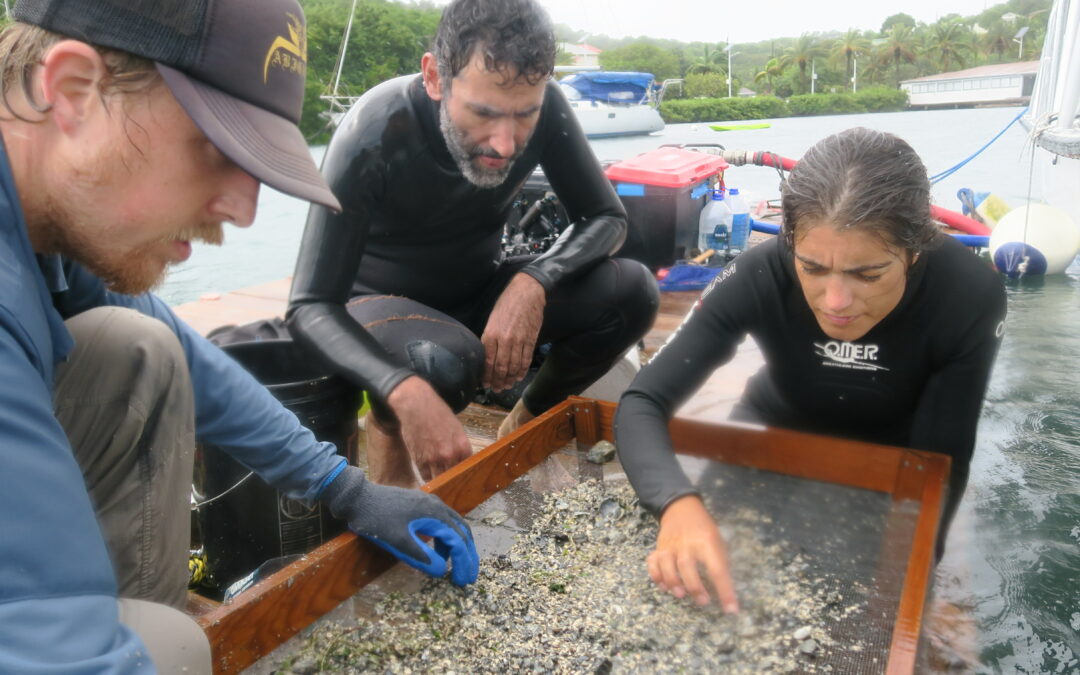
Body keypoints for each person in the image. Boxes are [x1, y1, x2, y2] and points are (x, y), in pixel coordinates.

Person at [0, 0, 477, 672]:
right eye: (215, 146)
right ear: (74, 92)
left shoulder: (42, 213)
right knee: (175, 651)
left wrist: (344, 486)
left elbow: (187, 355)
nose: (244, 210)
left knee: (141, 345)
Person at [615, 127, 1007, 613]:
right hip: (772, 427)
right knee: (693, 587)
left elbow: (942, 462)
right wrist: (676, 503)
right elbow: (641, 403)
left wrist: (912, 587)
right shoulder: (759, 271)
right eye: (813, 268)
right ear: (791, 241)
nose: (837, 302)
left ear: (915, 249)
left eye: (868, 274)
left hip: (890, 452)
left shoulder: (968, 293)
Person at [286, 0, 659, 488]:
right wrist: (400, 390)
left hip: (478, 287)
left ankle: (522, 424)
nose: (504, 144)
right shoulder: (375, 130)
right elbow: (309, 306)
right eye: (483, 113)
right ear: (435, 77)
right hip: (380, 309)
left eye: (523, 116)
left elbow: (606, 216)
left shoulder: (546, 109)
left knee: (633, 293)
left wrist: (534, 280)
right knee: (439, 364)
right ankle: (384, 426)